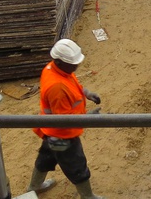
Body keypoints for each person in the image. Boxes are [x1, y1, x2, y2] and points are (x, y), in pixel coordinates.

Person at [28, 39, 106, 199]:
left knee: (46, 157)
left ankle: (34, 186)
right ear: (59, 61)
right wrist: (89, 117)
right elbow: (64, 120)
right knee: (77, 165)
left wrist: (87, 93)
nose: (76, 67)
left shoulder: (55, 69)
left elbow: (72, 83)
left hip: (50, 130)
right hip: (63, 134)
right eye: (73, 64)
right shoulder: (57, 87)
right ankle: (88, 196)